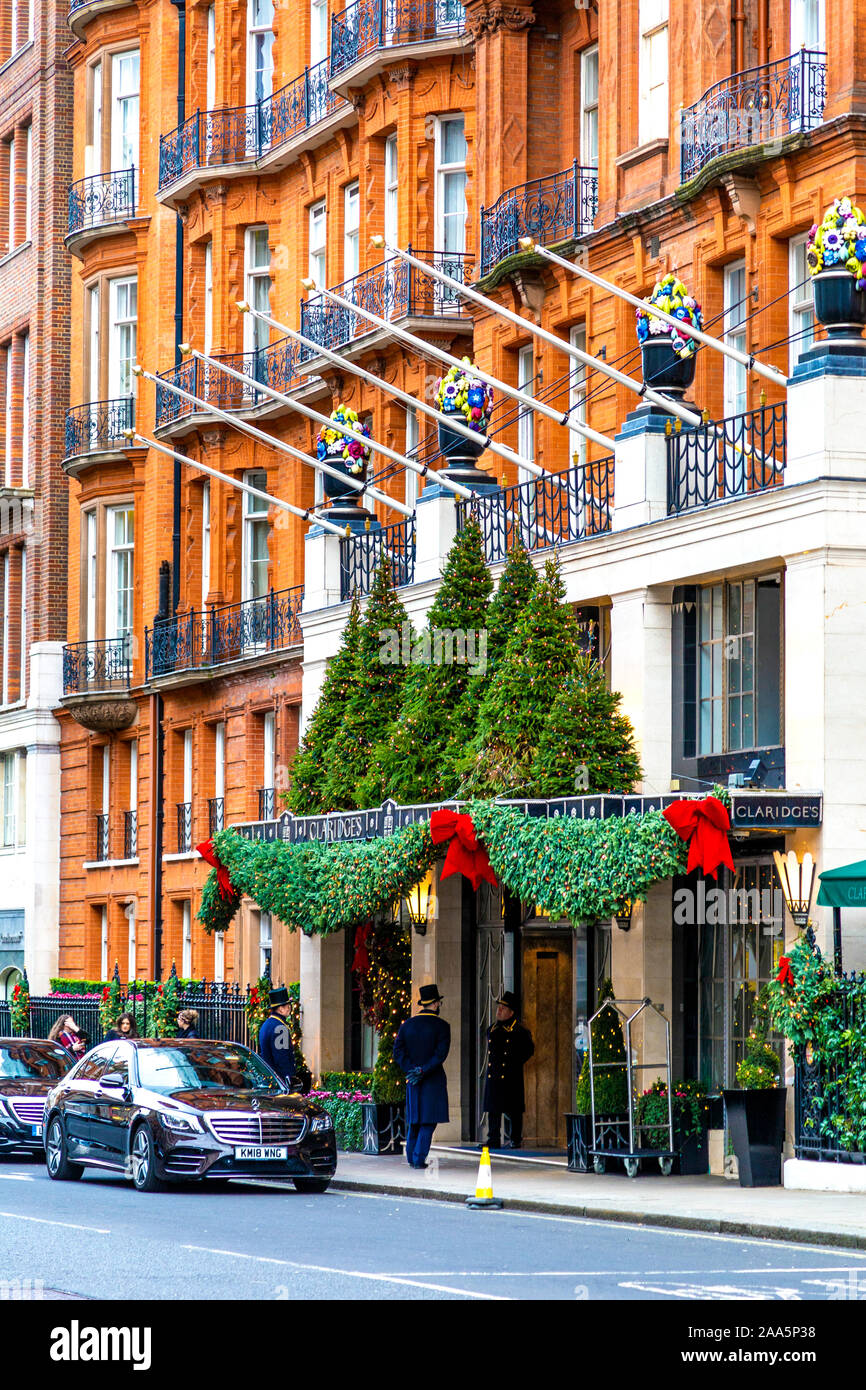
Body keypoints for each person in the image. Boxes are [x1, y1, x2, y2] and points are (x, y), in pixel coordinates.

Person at [393, 984, 450, 1170]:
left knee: (415, 1121)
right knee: (428, 1121)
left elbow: (398, 1052)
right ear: (435, 1004)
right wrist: (422, 1070)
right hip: (431, 1079)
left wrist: (412, 1070)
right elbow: (440, 1055)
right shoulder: (442, 1026)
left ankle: (411, 1157)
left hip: (413, 1080)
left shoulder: (406, 1025)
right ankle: (418, 1159)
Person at [484, 990, 534, 1150]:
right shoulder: (492, 1029)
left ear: (511, 1012)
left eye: (503, 1008)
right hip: (494, 1075)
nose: (499, 1011)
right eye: (499, 1007)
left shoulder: (519, 1032)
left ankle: (515, 1138)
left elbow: (528, 1051)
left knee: (514, 1109)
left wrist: (513, 1063)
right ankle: (493, 1138)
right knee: (493, 1108)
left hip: (510, 1076)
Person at [257, 987, 295, 1087]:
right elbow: (282, 1059)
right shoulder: (280, 1028)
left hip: (270, 1080)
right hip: (279, 1083)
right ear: (281, 1009)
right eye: (287, 1006)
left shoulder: (267, 1024)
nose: (289, 1008)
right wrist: (288, 1082)